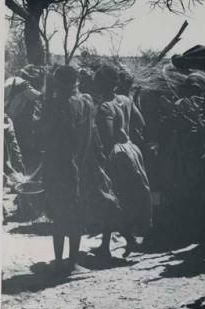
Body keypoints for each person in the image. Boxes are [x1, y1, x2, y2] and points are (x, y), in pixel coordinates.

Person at [42, 65, 122, 269]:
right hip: (83, 163)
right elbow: (93, 135)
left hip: (60, 165)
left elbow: (50, 138)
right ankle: (73, 260)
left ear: (58, 83)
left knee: (59, 214)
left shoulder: (57, 104)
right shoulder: (87, 101)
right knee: (76, 213)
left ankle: (61, 262)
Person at [93, 65, 152, 258]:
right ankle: (110, 244)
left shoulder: (105, 107)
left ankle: (122, 241)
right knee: (123, 198)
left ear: (101, 84)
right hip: (131, 151)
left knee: (110, 199)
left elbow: (108, 136)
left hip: (115, 155)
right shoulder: (126, 100)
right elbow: (141, 122)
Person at [4, 65, 44, 172]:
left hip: (4, 114)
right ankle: (19, 172)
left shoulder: (10, 80)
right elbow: (40, 97)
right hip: (7, 120)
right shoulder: (24, 84)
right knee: (14, 151)